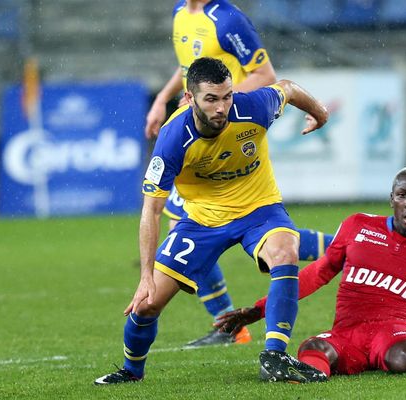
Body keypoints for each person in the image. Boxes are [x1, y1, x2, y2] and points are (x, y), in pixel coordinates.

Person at [94, 57, 330, 385]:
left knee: (285, 251)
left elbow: (287, 88)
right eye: (211, 99)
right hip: (203, 220)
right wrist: (146, 276)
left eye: (227, 96)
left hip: (258, 209)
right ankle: (131, 372)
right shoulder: (173, 137)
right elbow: (151, 210)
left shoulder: (254, 107)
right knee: (146, 305)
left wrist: (320, 112)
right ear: (190, 98)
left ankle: (274, 354)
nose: (222, 107)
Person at [216, 166, 406, 383]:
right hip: (348, 332)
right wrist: (258, 310)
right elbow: (316, 274)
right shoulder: (357, 226)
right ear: (392, 198)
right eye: (403, 195)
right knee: (313, 348)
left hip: (394, 334)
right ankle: (306, 380)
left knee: (405, 360)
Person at [145, 0, 333, 348]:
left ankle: (343, 247)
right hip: (197, 135)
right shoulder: (180, 13)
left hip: (222, 135)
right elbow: (190, 68)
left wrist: (221, 110)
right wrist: (163, 98)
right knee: (183, 225)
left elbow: (267, 77)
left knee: (206, 225)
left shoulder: (228, 19)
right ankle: (231, 325)